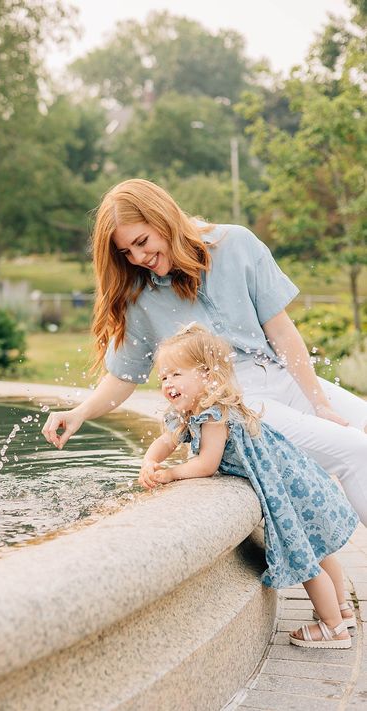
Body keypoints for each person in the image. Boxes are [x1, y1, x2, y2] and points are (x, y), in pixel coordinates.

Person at [42, 179, 367, 522]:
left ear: (164, 219)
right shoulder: (139, 296)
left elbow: (283, 333)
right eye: (126, 252)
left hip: (279, 376)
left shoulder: (238, 243)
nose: (138, 257)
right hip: (234, 407)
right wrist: (79, 412)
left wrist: (319, 404)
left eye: (142, 242)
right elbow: (124, 375)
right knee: (356, 451)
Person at [139, 323, 358, 648]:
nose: (168, 383)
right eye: (164, 377)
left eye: (176, 374)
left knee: (303, 556)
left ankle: (333, 628)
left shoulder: (215, 414)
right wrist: (149, 461)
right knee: (318, 547)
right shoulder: (190, 412)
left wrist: (171, 475)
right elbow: (165, 441)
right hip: (292, 479)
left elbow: (206, 464)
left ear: (207, 375)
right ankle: (342, 611)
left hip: (283, 488)